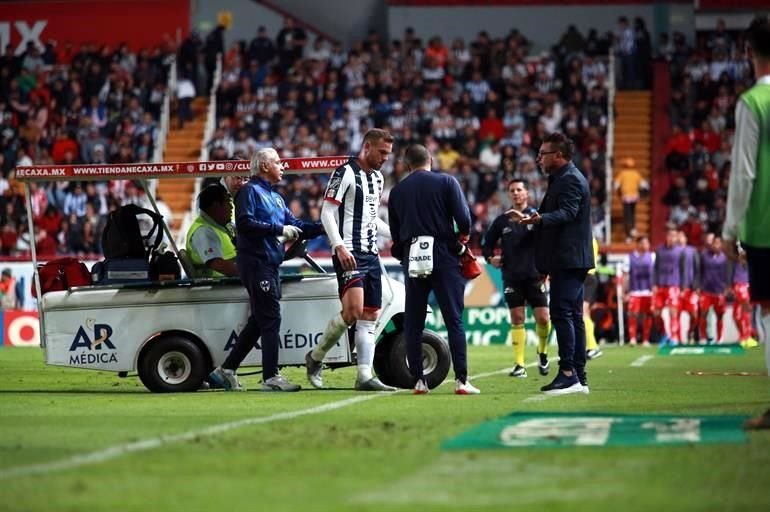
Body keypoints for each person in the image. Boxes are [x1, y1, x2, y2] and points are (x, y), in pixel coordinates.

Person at [208, 148, 324, 392]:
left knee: (260, 321)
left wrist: (328, 227)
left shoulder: (276, 197)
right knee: (271, 318)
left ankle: (225, 370)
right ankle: (271, 377)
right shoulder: (249, 191)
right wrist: (278, 229)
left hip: (268, 265)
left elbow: (298, 226)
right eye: (278, 162)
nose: (283, 166)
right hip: (256, 263)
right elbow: (245, 223)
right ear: (263, 166)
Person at [304, 129, 396, 391]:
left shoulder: (378, 179)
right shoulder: (343, 172)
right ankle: (316, 356)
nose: (385, 158)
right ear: (367, 147)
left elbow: (372, 219)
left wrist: (396, 235)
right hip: (349, 253)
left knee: (369, 315)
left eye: (388, 154)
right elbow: (327, 213)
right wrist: (339, 246)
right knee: (354, 311)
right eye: (382, 152)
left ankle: (364, 376)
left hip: (370, 254)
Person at [388, 144, 480, 395]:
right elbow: (464, 219)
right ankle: (462, 381)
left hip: (413, 253)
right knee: (453, 319)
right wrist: (459, 242)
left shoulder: (396, 191)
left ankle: (419, 380)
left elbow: (395, 234)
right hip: (442, 253)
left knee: (414, 320)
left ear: (407, 164)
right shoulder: (447, 182)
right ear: (430, 159)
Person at [513, 132, 593, 395]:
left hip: (568, 258)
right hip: (569, 258)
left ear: (559, 155)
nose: (539, 157)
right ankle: (579, 376)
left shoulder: (569, 180)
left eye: (543, 153)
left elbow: (569, 213)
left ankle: (568, 373)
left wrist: (538, 219)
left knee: (561, 313)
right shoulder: (564, 178)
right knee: (574, 316)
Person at [481, 178, 551, 379]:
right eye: (512, 190)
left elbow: (547, 238)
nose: (516, 193)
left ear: (527, 193)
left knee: (544, 319)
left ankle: (543, 352)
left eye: (519, 189)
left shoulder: (537, 217)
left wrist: (524, 219)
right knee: (517, 318)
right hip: (511, 276)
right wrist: (489, 258)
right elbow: (487, 244)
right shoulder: (502, 220)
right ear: (509, 194)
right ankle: (519, 364)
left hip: (535, 276)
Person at [185, 184, 237, 278]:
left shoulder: (224, 225)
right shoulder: (203, 232)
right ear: (215, 206)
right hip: (218, 286)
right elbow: (218, 265)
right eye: (228, 202)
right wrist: (250, 274)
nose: (231, 207)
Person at [653, 227, 684, 345]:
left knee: (673, 312)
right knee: (656, 313)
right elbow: (655, 268)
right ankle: (664, 333)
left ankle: (674, 337)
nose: (672, 238)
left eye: (674, 236)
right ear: (666, 237)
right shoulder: (659, 250)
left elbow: (683, 270)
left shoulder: (681, 251)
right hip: (660, 285)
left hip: (674, 285)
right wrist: (654, 283)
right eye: (670, 235)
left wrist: (683, 286)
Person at [697, 235, 728, 344]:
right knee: (703, 314)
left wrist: (726, 287)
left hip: (719, 291)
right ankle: (703, 337)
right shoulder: (704, 255)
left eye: (719, 243)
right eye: (714, 243)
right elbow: (699, 271)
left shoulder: (724, 258)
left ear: (721, 245)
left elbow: (727, 274)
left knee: (720, 315)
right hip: (706, 290)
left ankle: (720, 338)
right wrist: (698, 286)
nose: (716, 245)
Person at [626, 235, 655, 346]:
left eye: (647, 243)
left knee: (647, 314)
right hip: (634, 291)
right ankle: (632, 338)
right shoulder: (629, 257)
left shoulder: (652, 256)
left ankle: (645, 339)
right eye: (644, 243)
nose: (646, 246)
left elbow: (655, 275)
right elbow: (625, 276)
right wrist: (625, 291)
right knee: (633, 314)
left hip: (648, 291)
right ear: (638, 244)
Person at [613, 157, 648, 241]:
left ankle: (629, 233)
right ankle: (632, 229)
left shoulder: (622, 173)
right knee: (632, 213)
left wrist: (619, 192)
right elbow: (644, 185)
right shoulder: (636, 173)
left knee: (627, 215)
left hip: (626, 198)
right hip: (634, 197)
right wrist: (642, 193)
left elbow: (616, 185)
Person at [678, 231, 701, 344]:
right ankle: (677, 338)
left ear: (685, 238)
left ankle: (691, 332)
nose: (679, 238)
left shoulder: (692, 251)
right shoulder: (674, 252)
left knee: (694, 314)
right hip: (677, 289)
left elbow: (697, 269)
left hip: (690, 288)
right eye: (677, 236)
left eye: (681, 236)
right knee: (675, 314)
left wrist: (696, 286)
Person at [730, 252, 757, 348]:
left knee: (746, 312)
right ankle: (743, 336)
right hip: (737, 286)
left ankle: (747, 337)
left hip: (745, 286)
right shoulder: (735, 262)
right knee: (736, 315)